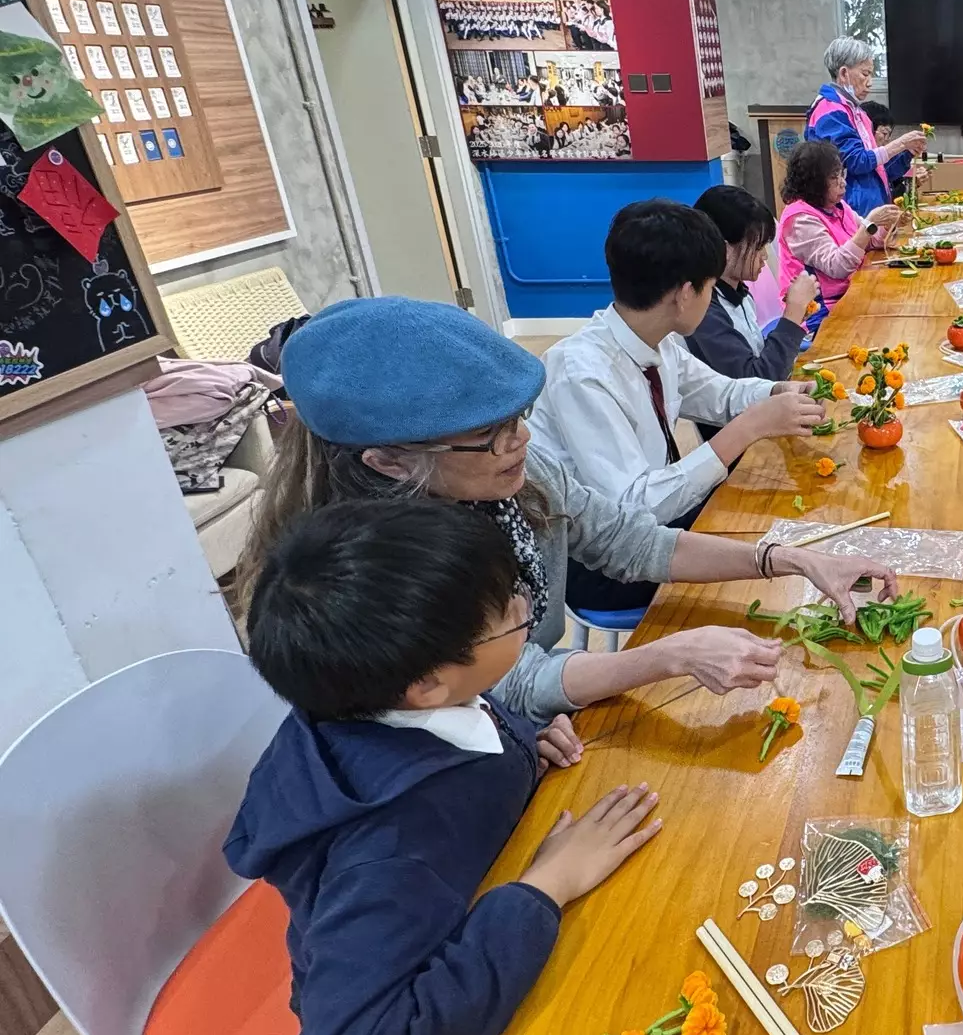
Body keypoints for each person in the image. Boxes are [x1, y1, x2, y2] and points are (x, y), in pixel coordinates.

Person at [226, 498, 665, 1035]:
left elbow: (457, 748)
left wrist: (523, 751)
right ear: (428, 685)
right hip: (449, 1017)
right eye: (507, 611)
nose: (524, 606)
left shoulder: (388, 698)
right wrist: (546, 886)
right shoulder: (387, 854)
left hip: (475, 898)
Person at [238, 295, 894, 720]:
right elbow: (506, 685)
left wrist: (788, 559)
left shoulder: (518, 473)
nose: (521, 440)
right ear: (389, 463)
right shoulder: (368, 572)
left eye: (519, 417)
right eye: (491, 434)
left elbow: (628, 540)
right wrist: (665, 656)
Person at [530, 199, 828, 610]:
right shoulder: (582, 373)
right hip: (601, 563)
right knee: (766, 558)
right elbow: (632, 511)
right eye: (709, 286)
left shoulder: (658, 342)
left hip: (656, 520)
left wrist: (776, 393)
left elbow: (721, 393)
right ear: (686, 294)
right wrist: (748, 428)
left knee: (782, 516)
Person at [687, 184, 814, 386]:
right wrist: (792, 315)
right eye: (758, 246)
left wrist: (795, 314)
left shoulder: (739, 293)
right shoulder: (704, 309)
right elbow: (756, 381)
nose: (764, 255)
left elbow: (758, 356)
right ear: (724, 249)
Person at [777, 139, 900, 331]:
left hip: (850, 294)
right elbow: (838, 267)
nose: (843, 183)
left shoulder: (836, 206)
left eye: (842, 174)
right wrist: (869, 224)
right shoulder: (800, 219)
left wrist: (888, 223)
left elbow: (872, 241)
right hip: (818, 311)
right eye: (834, 177)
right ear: (814, 182)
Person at [806, 36, 924, 217]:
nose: (870, 82)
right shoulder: (829, 110)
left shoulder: (857, 112)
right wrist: (901, 144)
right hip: (850, 214)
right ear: (844, 73)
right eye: (865, 74)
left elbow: (877, 169)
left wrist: (907, 152)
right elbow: (856, 161)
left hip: (870, 213)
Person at [861, 100, 915, 199]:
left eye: (889, 135)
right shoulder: (859, 161)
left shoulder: (881, 159)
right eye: (884, 133)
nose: (887, 139)